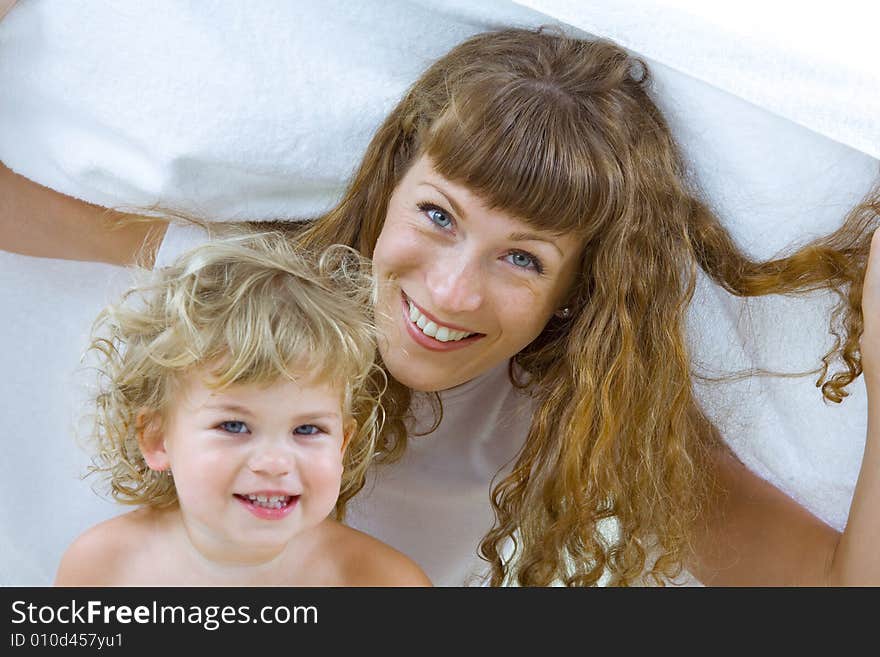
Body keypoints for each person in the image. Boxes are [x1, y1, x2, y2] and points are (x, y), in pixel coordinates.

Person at [6, 25, 880, 586]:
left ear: (577, 291)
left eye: (523, 259)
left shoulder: (575, 412)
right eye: (437, 215)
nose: (451, 290)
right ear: (388, 186)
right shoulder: (255, 294)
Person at [54, 233, 431, 586]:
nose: (274, 462)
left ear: (342, 444)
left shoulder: (382, 581)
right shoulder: (106, 568)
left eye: (308, 430)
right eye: (234, 426)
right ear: (157, 438)